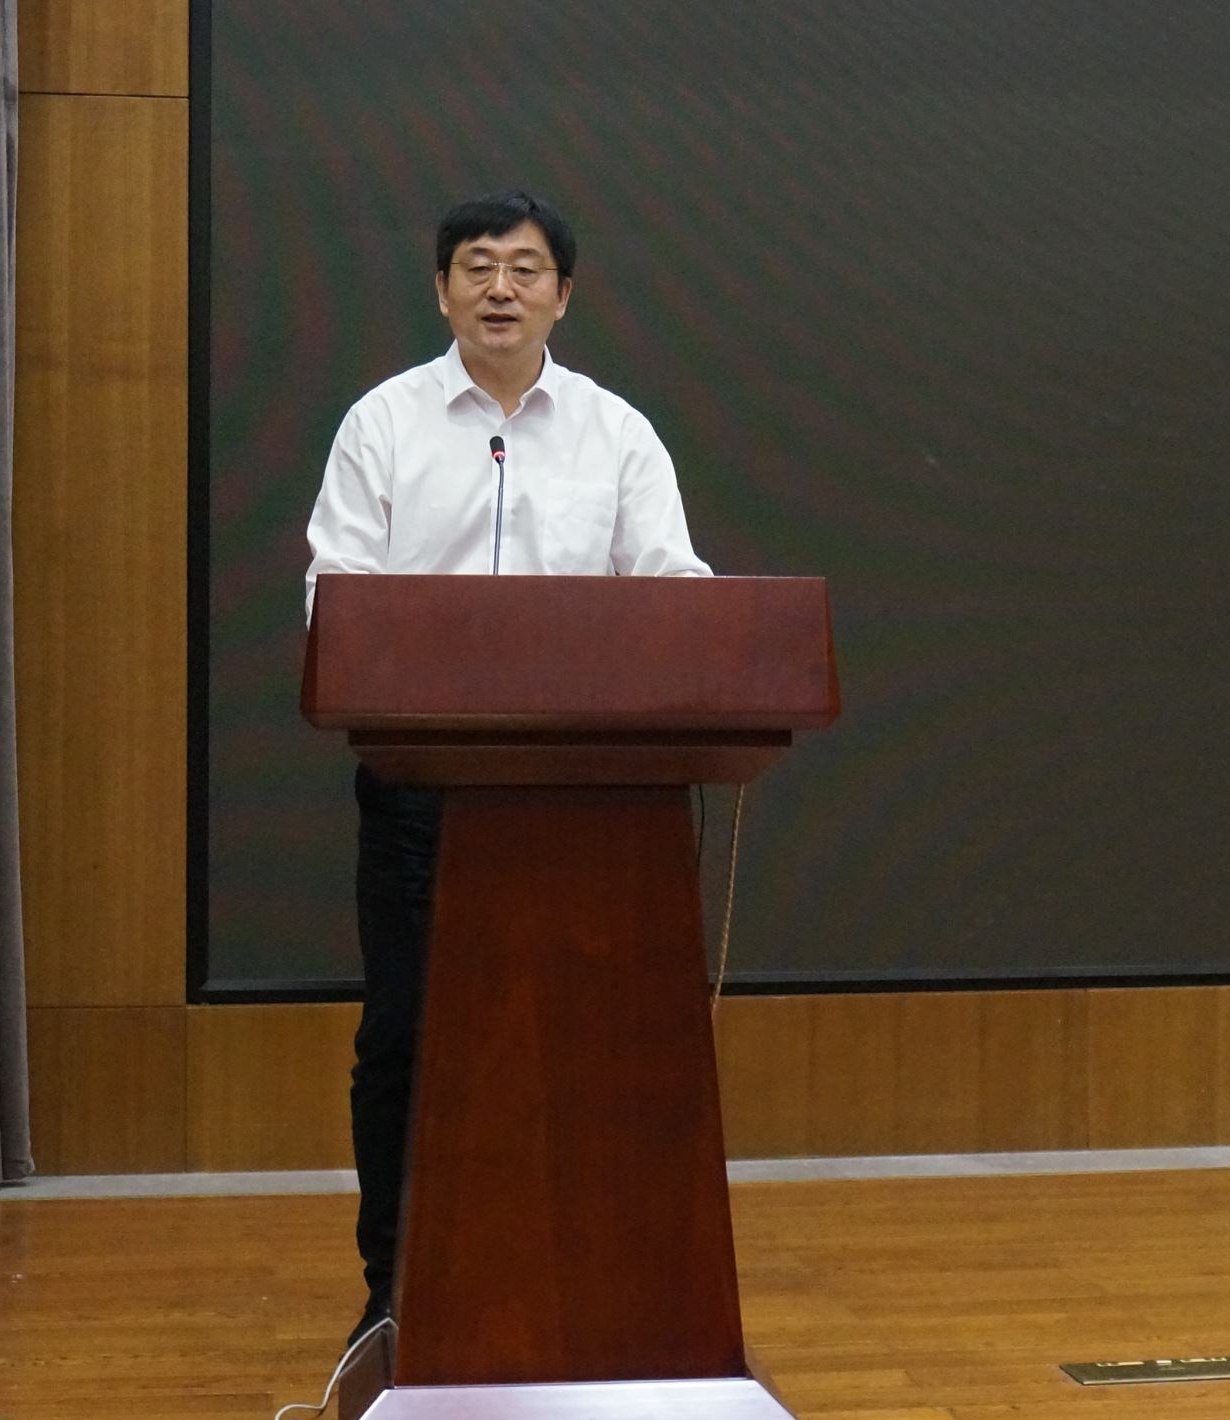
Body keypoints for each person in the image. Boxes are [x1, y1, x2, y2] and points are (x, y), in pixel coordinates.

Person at [303, 190, 710, 1347]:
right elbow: (335, 597)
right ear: (441, 290)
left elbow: (673, 593)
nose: (500, 288)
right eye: (476, 265)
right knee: (406, 1039)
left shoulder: (614, 433)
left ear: (561, 296)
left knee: (579, 1042)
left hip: (579, 798)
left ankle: (581, 1283)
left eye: (525, 269)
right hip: (420, 791)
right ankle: (395, 1291)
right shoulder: (383, 423)